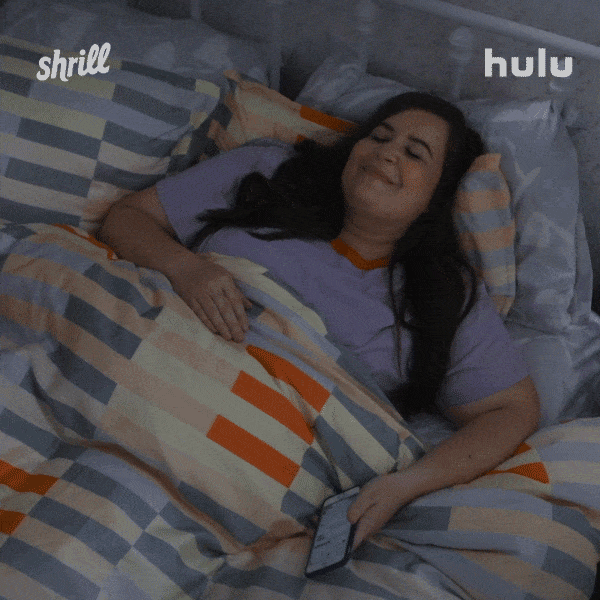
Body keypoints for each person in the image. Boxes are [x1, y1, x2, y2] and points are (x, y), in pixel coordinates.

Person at [98, 92, 540, 550]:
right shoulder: (267, 173)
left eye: (414, 154)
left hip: (241, 475)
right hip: (134, 379)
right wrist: (185, 269)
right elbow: (127, 217)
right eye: (379, 137)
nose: (387, 153)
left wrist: (404, 486)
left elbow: (514, 410)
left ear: (436, 196)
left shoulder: (442, 294)